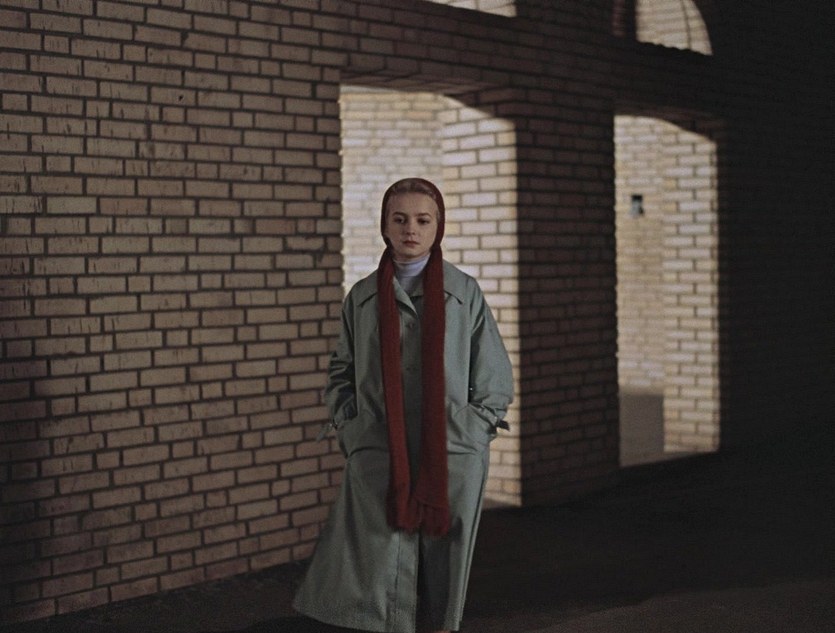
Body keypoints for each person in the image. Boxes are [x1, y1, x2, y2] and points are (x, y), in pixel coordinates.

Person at [293, 178, 513, 633]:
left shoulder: (463, 292)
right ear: (385, 226)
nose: (411, 229)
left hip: (450, 446)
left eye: (422, 220)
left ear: (438, 227)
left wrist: (473, 428)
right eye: (400, 219)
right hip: (380, 443)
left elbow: (494, 372)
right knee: (375, 557)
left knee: (444, 559)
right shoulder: (362, 297)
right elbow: (341, 370)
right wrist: (352, 426)